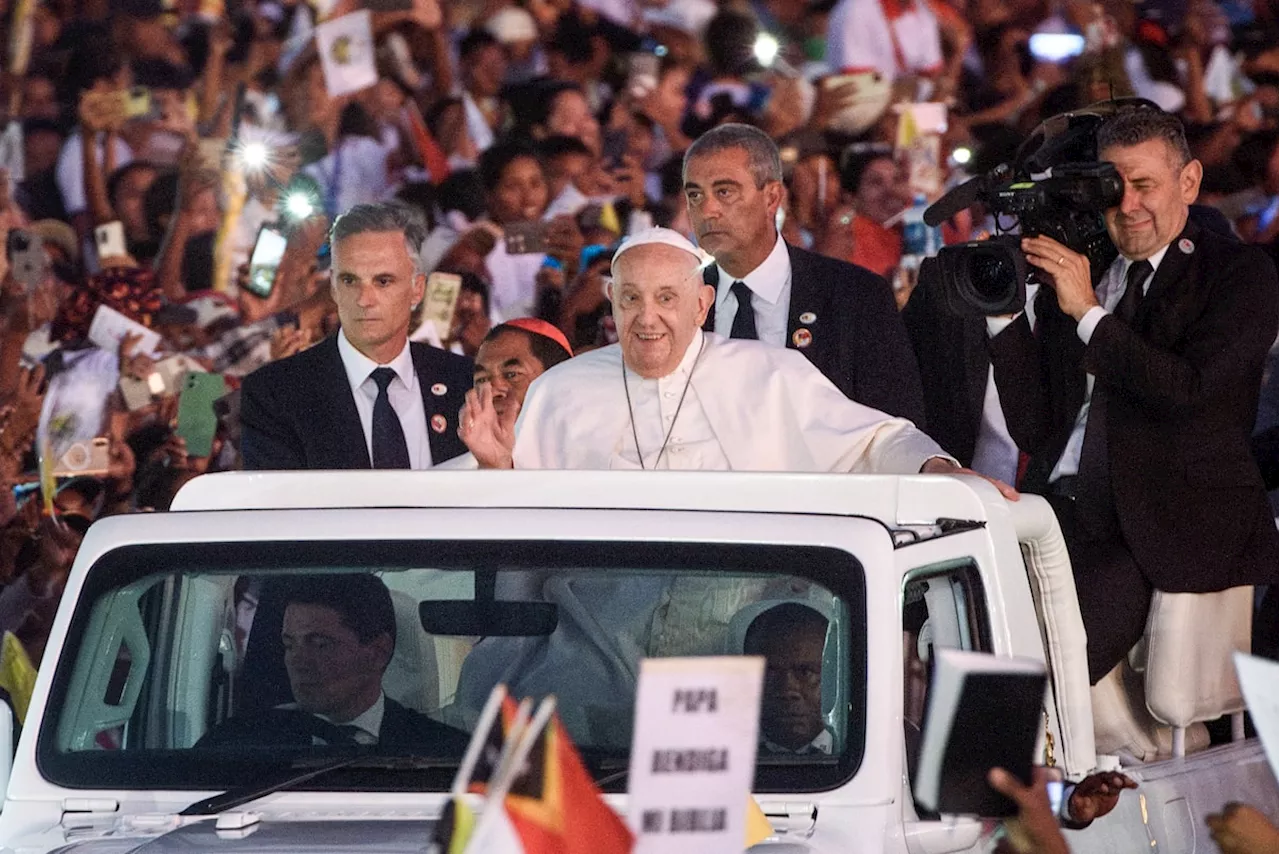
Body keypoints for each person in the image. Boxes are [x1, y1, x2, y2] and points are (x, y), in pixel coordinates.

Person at [988, 106, 1280, 684]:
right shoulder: (1084, 274)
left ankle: (1028, 765)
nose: (1127, 205)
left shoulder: (1238, 274)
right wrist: (1003, 317)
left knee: (1039, 669)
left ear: (1189, 182)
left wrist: (1090, 315)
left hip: (1161, 523)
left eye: (1144, 185)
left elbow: (1189, 391)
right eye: (1111, 186)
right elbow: (1035, 426)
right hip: (1053, 511)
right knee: (938, 617)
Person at [461, 226, 1013, 495]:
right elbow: (525, 515)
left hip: (744, 618)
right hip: (600, 635)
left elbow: (873, 441)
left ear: (702, 305)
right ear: (612, 302)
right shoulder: (562, 390)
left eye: (667, 299)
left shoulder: (771, 374)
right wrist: (495, 469)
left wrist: (937, 468)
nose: (647, 317)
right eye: (631, 299)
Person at [683, 123, 927, 425]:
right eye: (694, 196)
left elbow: (898, 425)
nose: (707, 210)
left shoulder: (856, 296)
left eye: (724, 192)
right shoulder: (680, 299)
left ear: (772, 198)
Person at [239, 202, 472, 470]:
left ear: (417, 290)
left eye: (383, 281)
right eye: (350, 281)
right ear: (334, 289)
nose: (364, 299)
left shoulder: (463, 382)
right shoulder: (275, 394)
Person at [200, 574, 469, 751]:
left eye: (320, 644)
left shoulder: (447, 754)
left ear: (377, 652)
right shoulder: (233, 747)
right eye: (289, 644)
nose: (298, 662)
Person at [438, 318, 572, 470]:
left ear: (555, 380)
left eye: (512, 375)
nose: (493, 391)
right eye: (482, 380)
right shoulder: (446, 477)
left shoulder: (590, 460)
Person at [744, 603, 832, 755]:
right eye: (768, 673)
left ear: (833, 678)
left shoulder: (869, 749)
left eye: (805, 672)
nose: (787, 690)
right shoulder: (727, 755)